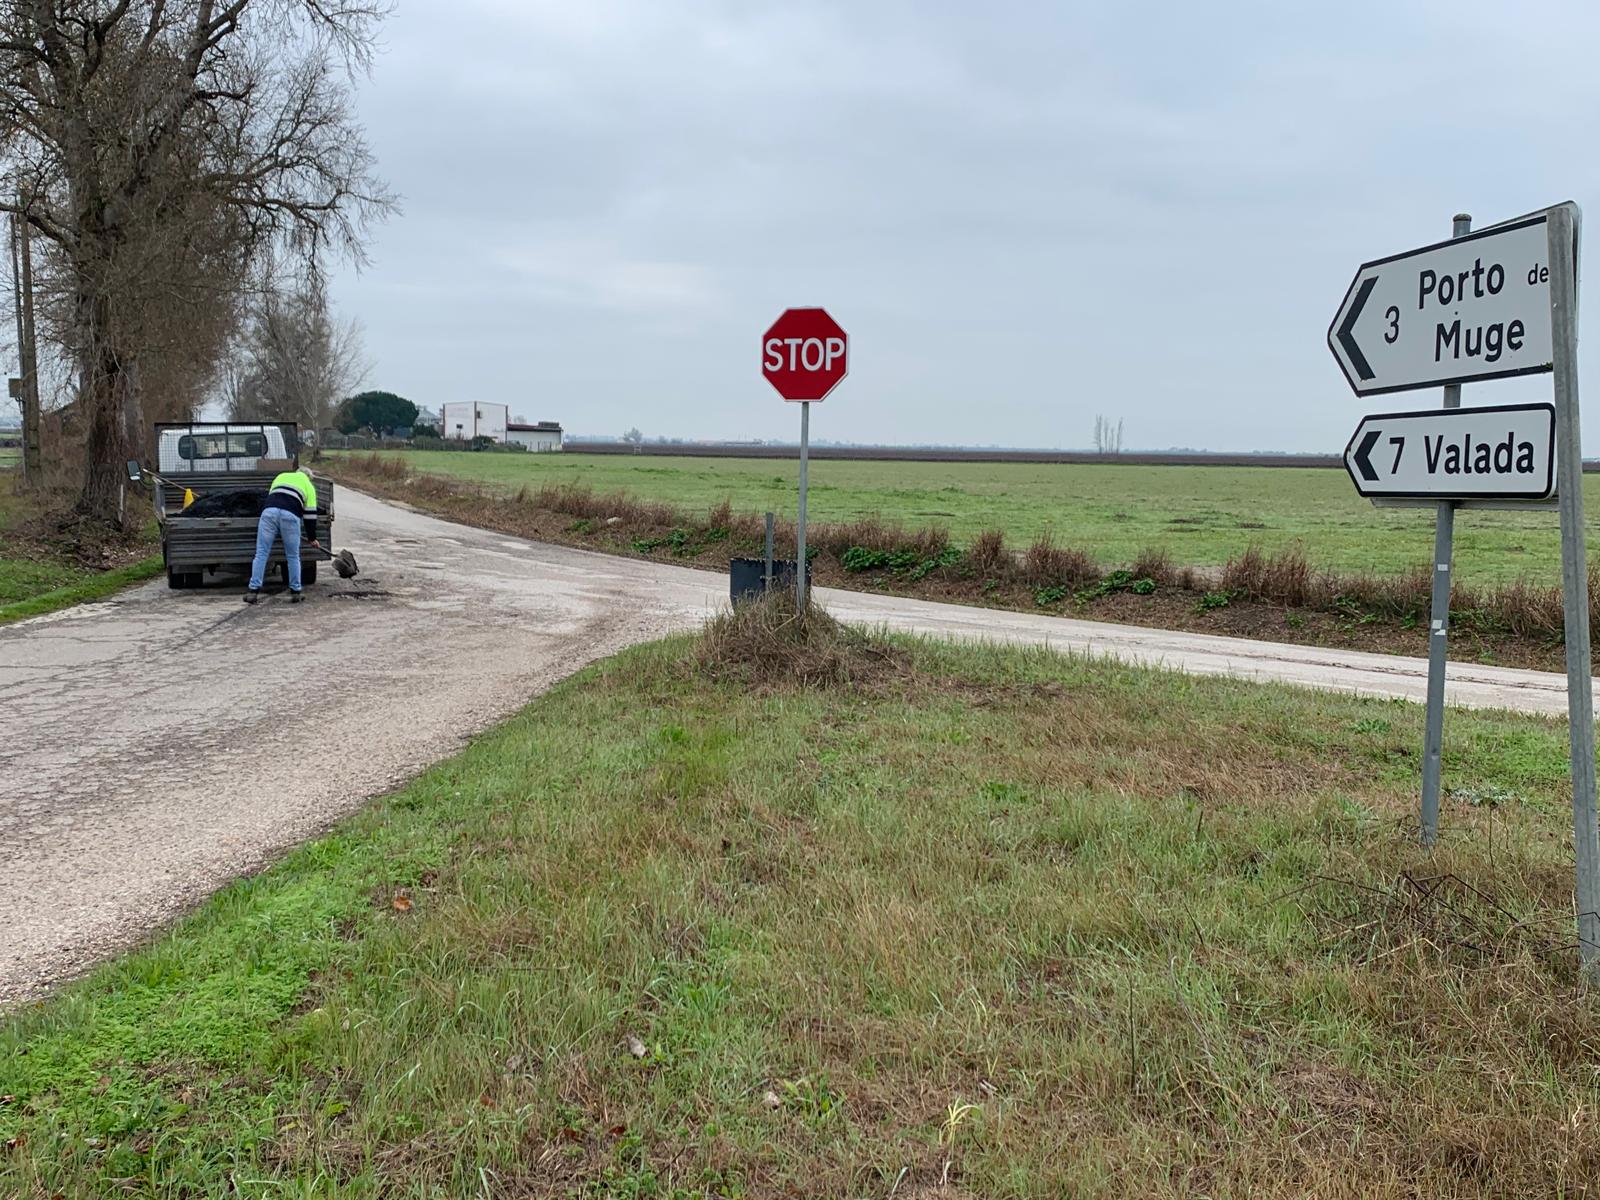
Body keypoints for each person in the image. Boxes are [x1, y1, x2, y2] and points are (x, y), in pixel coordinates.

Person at [244, 468, 318, 603]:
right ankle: (295, 592)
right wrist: (312, 538)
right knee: (293, 556)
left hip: (269, 513)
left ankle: (253, 592)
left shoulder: (281, 476)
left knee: (261, 553)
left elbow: (272, 496)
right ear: (309, 477)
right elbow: (310, 516)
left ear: (297, 472)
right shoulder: (309, 486)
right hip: (290, 515)